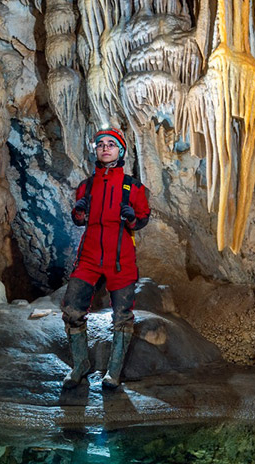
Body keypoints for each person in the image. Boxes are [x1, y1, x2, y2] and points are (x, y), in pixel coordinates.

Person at [61, 127, 151, 390]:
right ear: (96, 151)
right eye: (101, 145)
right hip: (88, 258)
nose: (105, 148)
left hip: (120, 260)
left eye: (111, 144)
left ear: (120, 151)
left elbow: (142, 219)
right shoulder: (86, 186)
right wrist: (78, 211)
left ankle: (113, 373)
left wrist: (131, 216)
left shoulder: (133, 187)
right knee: (72, 309)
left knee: (122, 315)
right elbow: (80, 221)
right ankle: (80, 366)